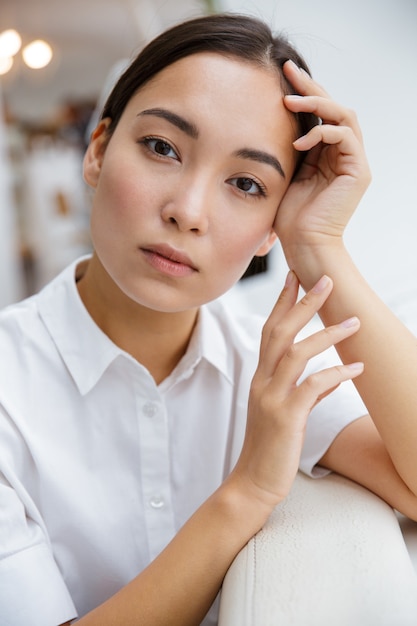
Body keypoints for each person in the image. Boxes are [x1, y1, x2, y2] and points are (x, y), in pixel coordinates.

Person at [1, 12, 416, 626]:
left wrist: (321, 242)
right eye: (162, 147)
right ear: (97, 150)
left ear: (269, 230)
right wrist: (247, 490)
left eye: (246, 184)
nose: (188, 211)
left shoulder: (271, 367)